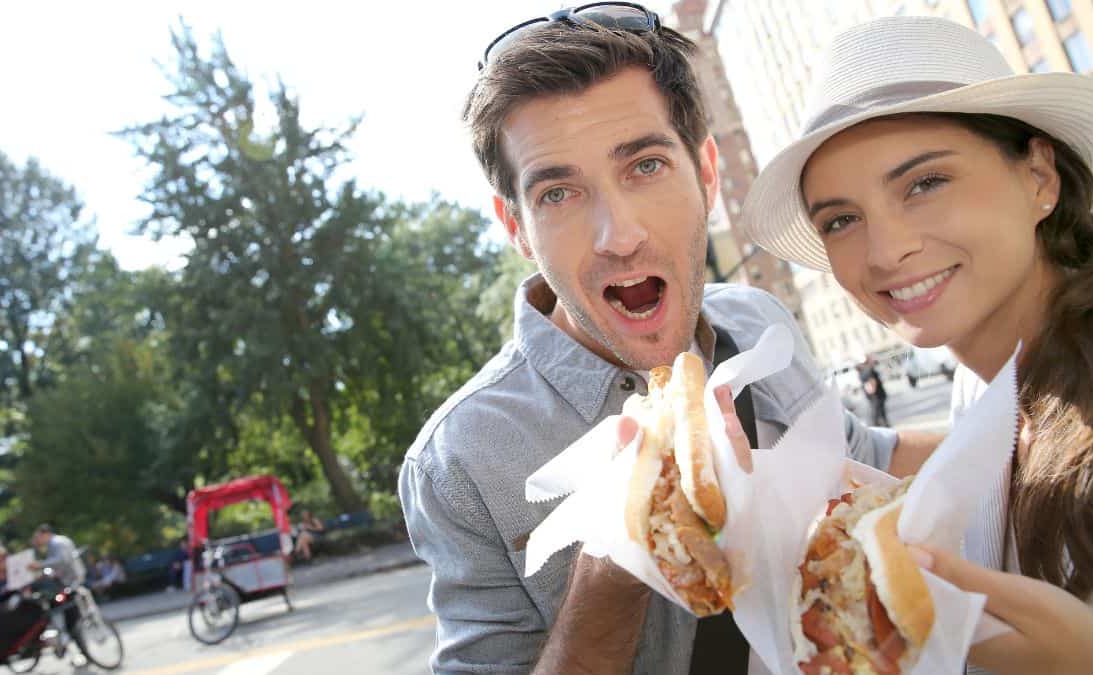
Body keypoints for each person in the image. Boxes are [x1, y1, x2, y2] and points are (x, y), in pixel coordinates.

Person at [398, 5, 941, 674]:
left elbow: (869, 457)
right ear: (515, 226)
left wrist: (1050, 421)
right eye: (559, 193)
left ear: (707, 172)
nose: (618, 235)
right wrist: (611, 570)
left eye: (646, 166)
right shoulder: (458, 464)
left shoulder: (757, 321)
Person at [740, 16, 1093, 674]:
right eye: (842, 219)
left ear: (1040, 176)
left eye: (924, 183)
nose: (885, 250)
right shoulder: (984, 391)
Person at [857, 355, 889, 426]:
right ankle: (879, 425)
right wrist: (873, 390)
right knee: (877, 411)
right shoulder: (868, 370)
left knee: (878, 411)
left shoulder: (862, 372)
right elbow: (872, 382)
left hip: (873, 395)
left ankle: (882, 424)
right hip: (876, 395)